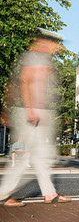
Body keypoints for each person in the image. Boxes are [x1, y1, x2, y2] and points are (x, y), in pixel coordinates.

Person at [0, 28, 71, 207]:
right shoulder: (35, 57)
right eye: (54, 43)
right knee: (26, 159)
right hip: (32, 113)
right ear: (43, 42)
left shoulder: (42, 59)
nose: (57, 47)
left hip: (38, 113)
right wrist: (31, 109)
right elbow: (25, 81)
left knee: (41, 158)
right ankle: (2, 194)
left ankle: (49, 193)